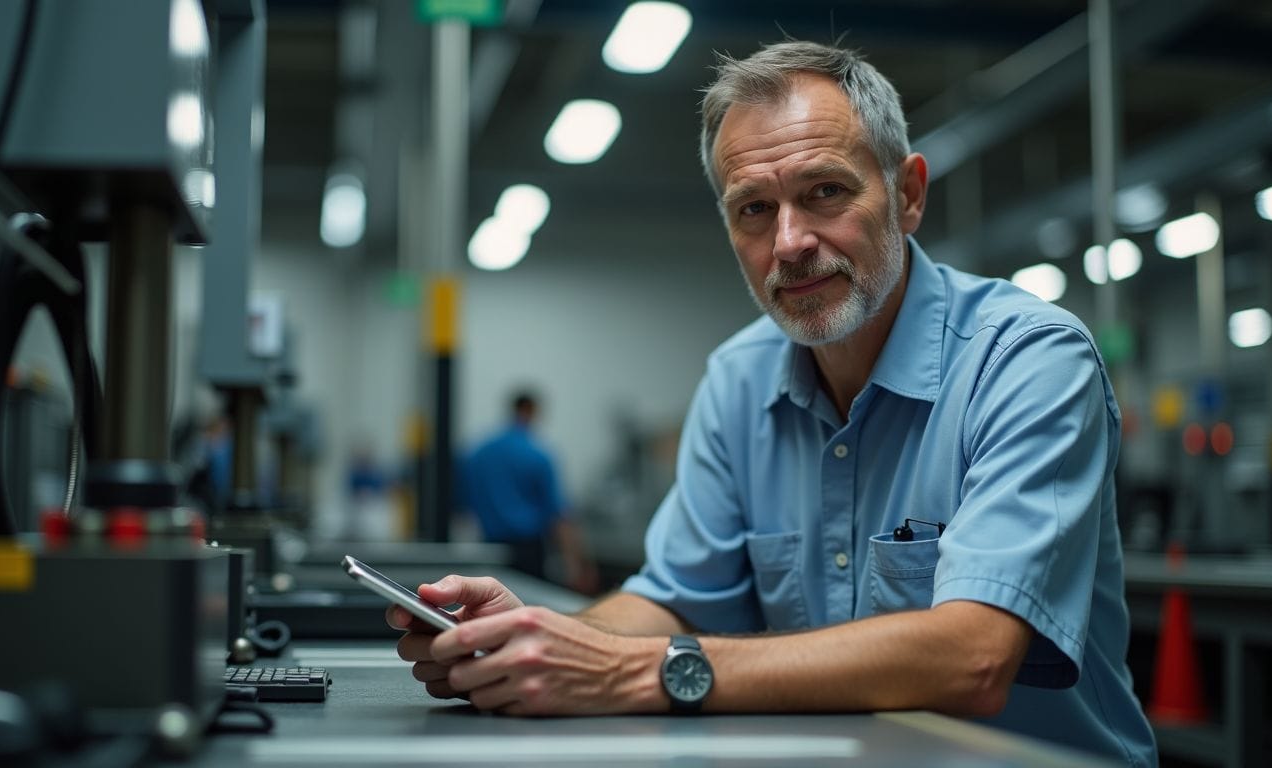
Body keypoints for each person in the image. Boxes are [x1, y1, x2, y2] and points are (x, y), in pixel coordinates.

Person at [387, 41, 1157, 767]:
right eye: (754, 209)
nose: (789, 242)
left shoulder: (1026, 360)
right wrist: (528, 643)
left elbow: (976, 656)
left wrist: (643, 673)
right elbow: (676, 604)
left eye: (824, 192)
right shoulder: (738, 379)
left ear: (909, 194)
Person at [459, 391, 596, 594]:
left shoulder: (478, 453)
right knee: (526, 607)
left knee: (490, 608)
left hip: (489, 549)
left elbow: (463, 504)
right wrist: (574, 566)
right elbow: (559, 515)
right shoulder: (537, 455)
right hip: (527, 552)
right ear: (531, 411)